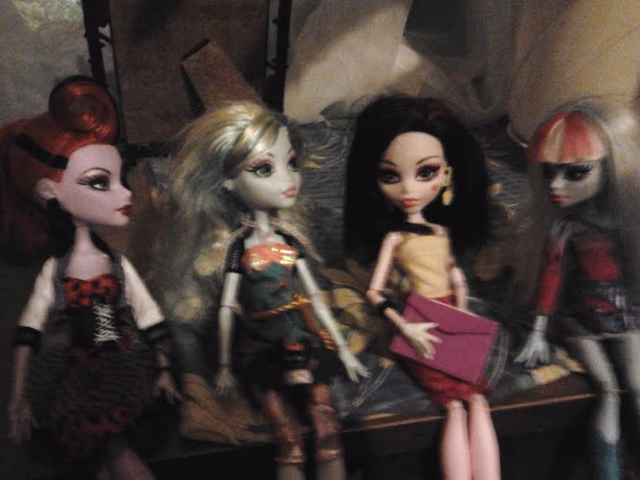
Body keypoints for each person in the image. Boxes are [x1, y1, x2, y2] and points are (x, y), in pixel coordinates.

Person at [160, 100, 368, 480]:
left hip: (299, 337)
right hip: (260, 346)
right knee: (287, 436)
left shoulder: (291, 239)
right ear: (227, 182)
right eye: (264, 169)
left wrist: (341, 349)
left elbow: (314, 298)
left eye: (292, 163)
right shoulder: (236, 248)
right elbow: (226, 309)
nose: (288, 180)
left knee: (326, 424)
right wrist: (225, 366)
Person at [5, 76, 180, 480]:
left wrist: (164, 366)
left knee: (110, 452)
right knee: (104, 452)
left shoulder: (116, 263)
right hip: (77, 379)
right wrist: (18, 398)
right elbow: (27, 334)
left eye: (119, 179)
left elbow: (149, 316)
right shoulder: (55, 271)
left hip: (126, 373)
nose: (125, 194)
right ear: (49, 190)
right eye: (100, 182)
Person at [344, 95, 500, 480]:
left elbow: (454, 273)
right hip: (419, 320)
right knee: (453, 405)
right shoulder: (395, 238)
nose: (409, 188)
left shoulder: (441, 231)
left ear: (447, 174)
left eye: (426, 172)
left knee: (478, 399)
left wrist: (462, 307)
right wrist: (406, 326)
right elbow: (375, 293)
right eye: (390, 176)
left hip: (451, 315)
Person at [515, 99, 640, 480]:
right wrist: (538, 331)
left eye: (575, 173)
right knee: (607, 389)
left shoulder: (625, 223)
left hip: (624, 312)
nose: (556, 186)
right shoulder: (563, 228)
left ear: (610, 168)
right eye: (549, 172)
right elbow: (551, 277)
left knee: (637, 384)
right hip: (580, 317)